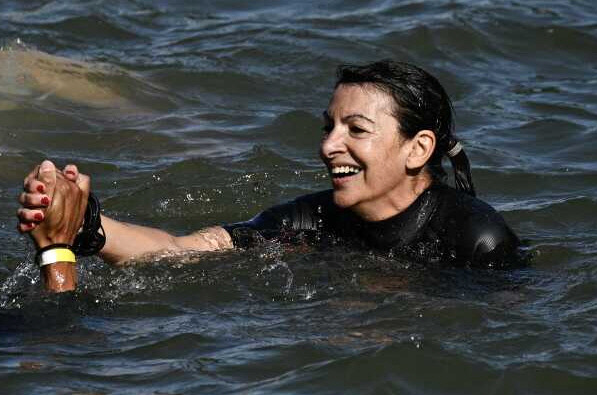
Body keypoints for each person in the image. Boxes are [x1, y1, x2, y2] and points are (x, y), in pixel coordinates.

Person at [16, 60, 522, 293]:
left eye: (356, 129)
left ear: (419, 149)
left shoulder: (478, 241)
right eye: (329, 127)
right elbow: (185, 249)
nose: (329, 145)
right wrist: (88, 228)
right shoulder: (312, 218)